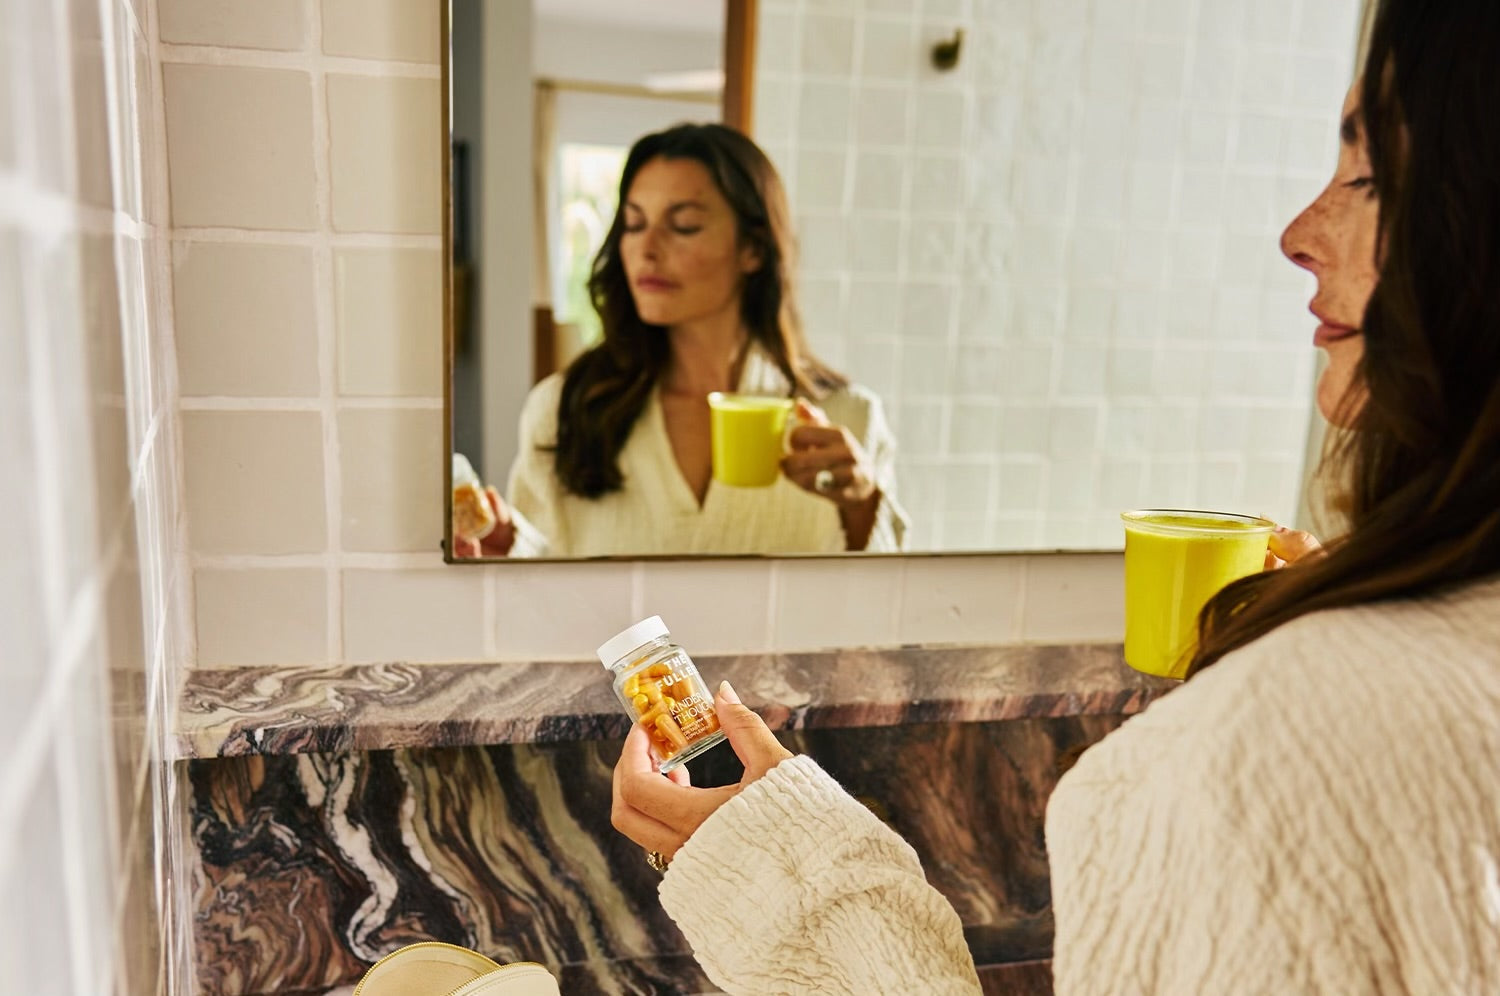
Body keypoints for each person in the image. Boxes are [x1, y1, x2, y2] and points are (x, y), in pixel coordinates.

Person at [609, 1, 1500, 992]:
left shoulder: (1270, 754)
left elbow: (881, 558)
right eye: (635, 223)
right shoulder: (576, 411)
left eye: (1369, 173)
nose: (1296, 234)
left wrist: (781, 868)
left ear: (750, 251)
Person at [453, 124, 907, 558]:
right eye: (633, 224)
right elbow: (540, 587)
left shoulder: (848, 419)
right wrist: (509, 546)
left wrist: (862, 504)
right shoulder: (565, 409)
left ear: (753, 249)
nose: (646, 249)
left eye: (683, 225)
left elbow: (892, 610)